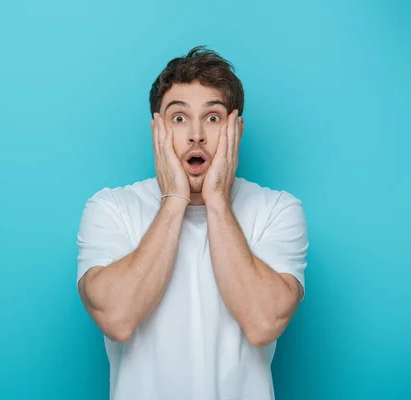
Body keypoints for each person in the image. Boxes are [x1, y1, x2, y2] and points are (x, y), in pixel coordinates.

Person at [75, 46, 308, 400]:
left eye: (213, 118)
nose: (196, 134)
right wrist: (174, 199)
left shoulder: (277, 209)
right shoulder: (111, 208)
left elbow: (263, 324)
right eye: (179, 118)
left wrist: (216, 199)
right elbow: (117, 318)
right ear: (158, 129)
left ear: (236, 129)